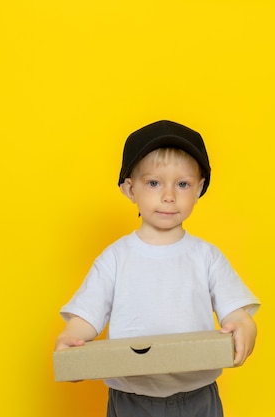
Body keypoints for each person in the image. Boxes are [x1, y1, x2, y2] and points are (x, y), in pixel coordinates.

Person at [55, 120, 260, 417]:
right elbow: (86, 315)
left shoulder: (206, 257)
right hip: (131, 398)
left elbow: (236, 312)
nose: (168, 196)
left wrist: (244, 326)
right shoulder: (115, 258)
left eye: (183, 184)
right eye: (154, 183)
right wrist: (70, 341)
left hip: (197, 395)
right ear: (129, 189)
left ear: (199, 188)